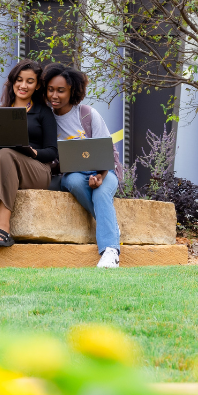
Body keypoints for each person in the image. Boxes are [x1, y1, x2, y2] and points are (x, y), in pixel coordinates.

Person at [0, 59, 57, 248]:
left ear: (37, 85)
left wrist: (32, 151)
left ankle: (4, 228)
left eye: (29, 81)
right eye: (19, 80)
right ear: (13, 82)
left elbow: (52, 153)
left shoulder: (43, 113)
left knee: (7, 153)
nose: (23, 85)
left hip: (37, 170)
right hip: (4, 166)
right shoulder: (1, 113)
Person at [43, 63, 121, 268]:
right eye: (51, 89)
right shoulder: (46, 118)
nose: (54, 95)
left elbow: (107, 151)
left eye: (61, 90)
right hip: (71, 173)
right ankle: (111, 228)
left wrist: (101, 176)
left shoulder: (86, 114)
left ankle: (110, 251)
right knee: (77, 182)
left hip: (103, 170)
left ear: (72, 91)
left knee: (101, 193)